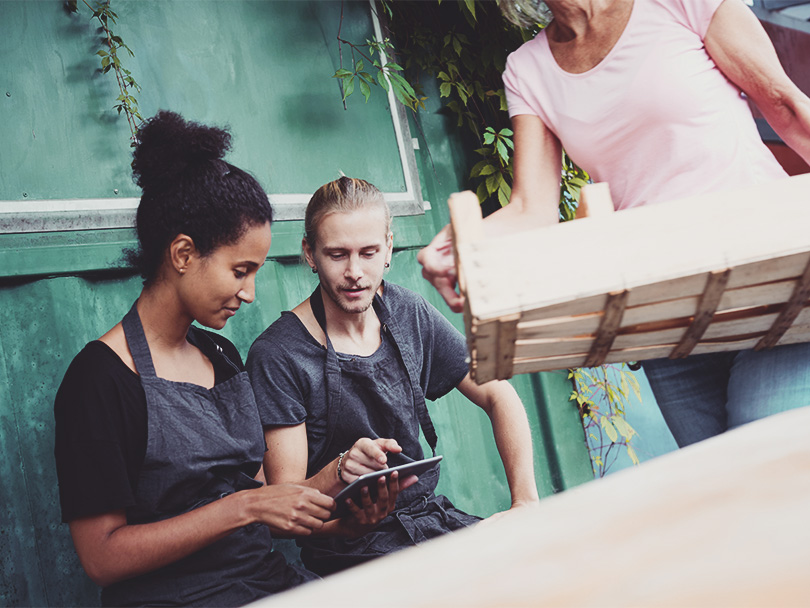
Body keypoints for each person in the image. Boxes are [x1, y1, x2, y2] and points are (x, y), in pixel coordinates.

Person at [418, 0, 810, 448]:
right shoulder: (528, 69)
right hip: (666, 310)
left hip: (768, 275)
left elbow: (787, 106)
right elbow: (532, 209)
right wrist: (463, 244)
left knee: (769, 458)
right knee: (724, 485)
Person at [53, 111, 334, 607]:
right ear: (183, 253)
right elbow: (101, 558)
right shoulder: (99, 379)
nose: (249, 293)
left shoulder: (220, 356)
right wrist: (243, 507)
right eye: (240, 270)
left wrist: (342, 493)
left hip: (265, 584)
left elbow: (265, 498)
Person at [247, 176, 540, 576]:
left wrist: (525, 502)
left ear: (388, 248)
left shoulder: (409, 313)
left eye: (368, 252)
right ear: (309, 254)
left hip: (433, 521)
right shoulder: (279, 353)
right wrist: (341, 469)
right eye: (336, 254)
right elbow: (287, 500)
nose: (354, 271)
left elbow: (498, 394)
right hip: (349, 551)